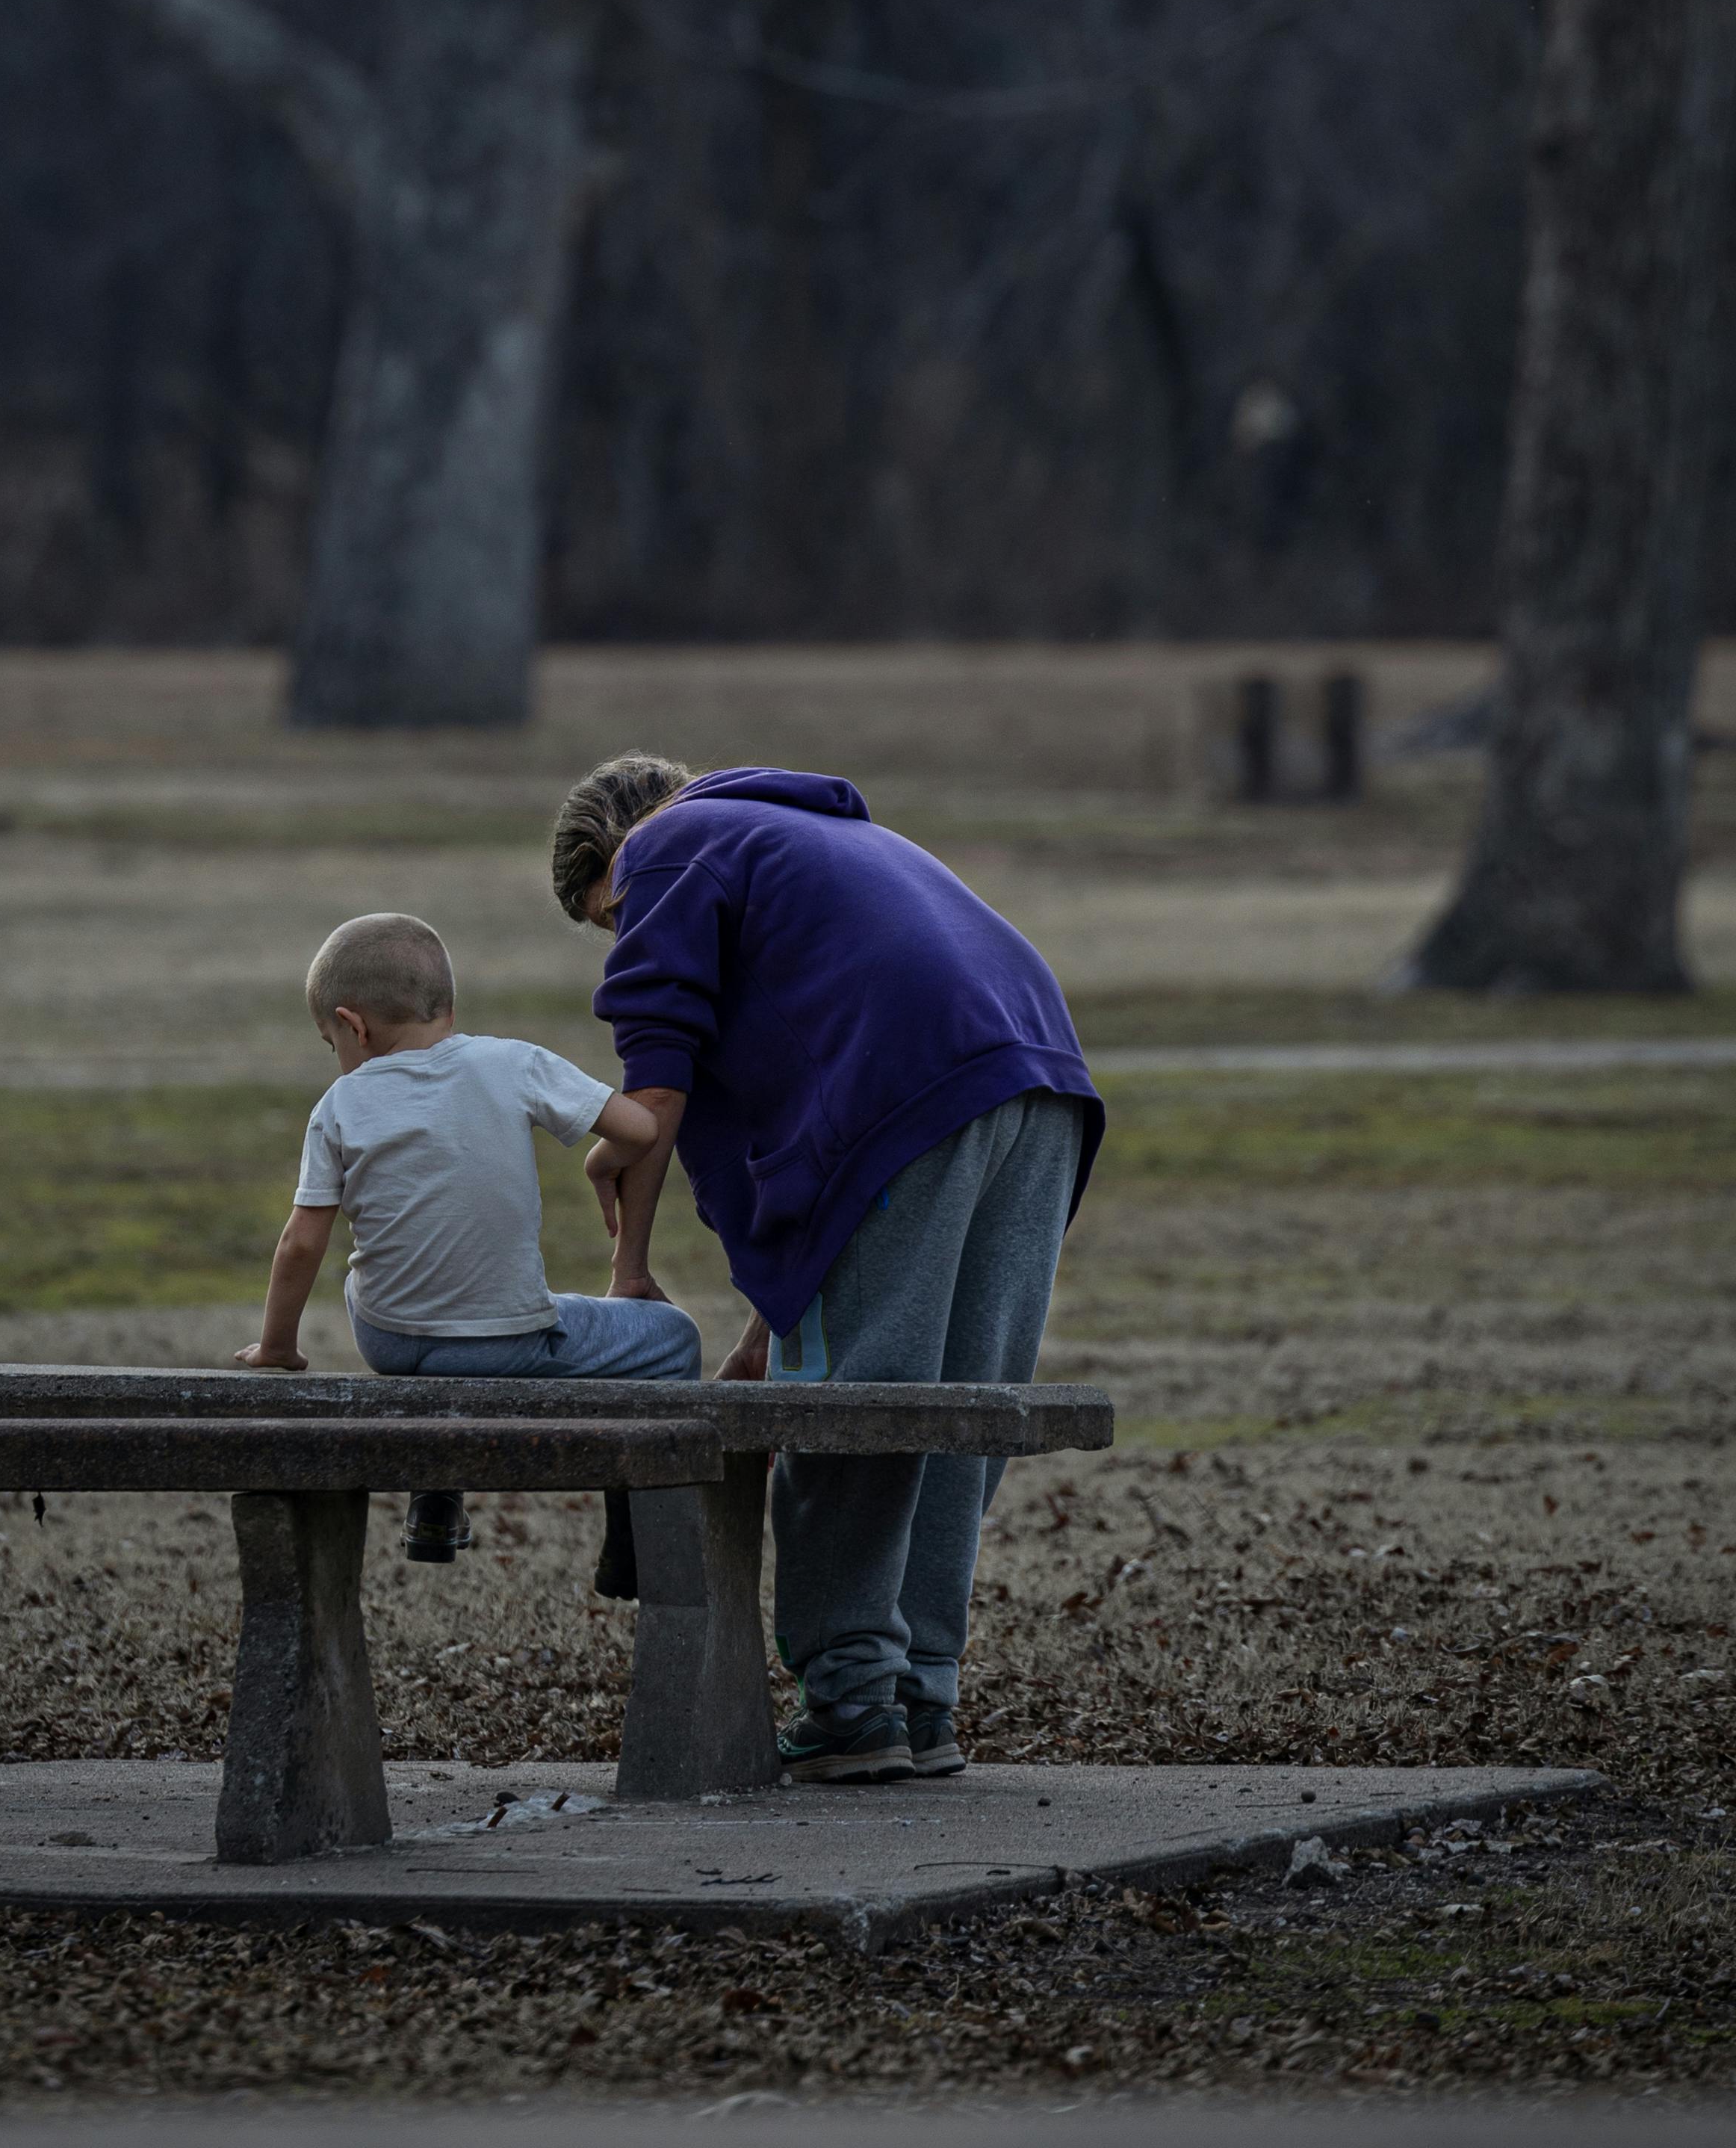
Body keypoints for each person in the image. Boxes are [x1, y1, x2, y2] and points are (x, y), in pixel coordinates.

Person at [551, 754, 1100, 1783]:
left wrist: (626, 1269)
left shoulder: (662, 850)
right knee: (946, 1411)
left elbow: (651, 1101)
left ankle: (852, 1701)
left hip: (907, 1101)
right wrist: (773, 1322)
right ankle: (917, 1697)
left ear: (614, 871)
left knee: (851, 1412)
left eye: (611, 924)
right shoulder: (820, 839)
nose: (627, 943)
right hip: (1039, 1084)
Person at [238, 907, 699, 1559]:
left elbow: (301, 1245)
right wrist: (602, 1159)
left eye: (329, 1044)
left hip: (390, 1336)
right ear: (449, 1006)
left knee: (383, 1279)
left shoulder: (337, 1106)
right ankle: (638, 1547)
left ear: (352, 1026)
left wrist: (276, 1347)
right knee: (674, 1340)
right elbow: (641, 1130)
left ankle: (435, 1502)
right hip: (505, 1343)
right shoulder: (514, 1064)